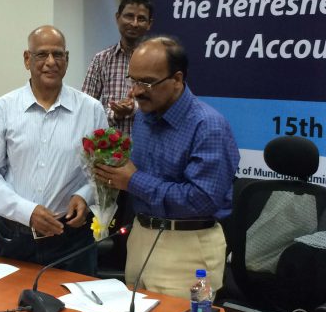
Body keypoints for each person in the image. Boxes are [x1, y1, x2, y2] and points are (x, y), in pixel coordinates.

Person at [93, 36, 239, 298]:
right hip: (140, 237)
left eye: (147, 82)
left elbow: (202, 199)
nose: (136, 91)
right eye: (133, 80)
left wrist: (133, 181)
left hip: (187, 247)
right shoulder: (143, 117)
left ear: (177, 80)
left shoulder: (208, 126)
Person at [0, 26, 107, 275]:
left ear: (67, 59)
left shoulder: (91, 110)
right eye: (42, 54)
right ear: (27, 59)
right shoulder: (3, 109)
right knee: (9, 298)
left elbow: (102, 171)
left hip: (72, 236)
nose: (51, 62)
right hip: (15, 235)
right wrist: (28, 212)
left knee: (75, 299)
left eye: (58, 55)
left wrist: (85, 196)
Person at [81, 0, 153, 138]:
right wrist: (115, 114)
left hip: (148, 146)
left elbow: (165, 106)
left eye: (141, 18)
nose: (134, 23)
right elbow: (84, 109)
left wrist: (134, 108)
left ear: (149, 24)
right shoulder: (101, 60)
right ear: (117, 18)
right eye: (129, 16)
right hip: (109, 148)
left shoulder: (158, 62)